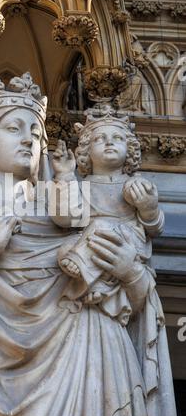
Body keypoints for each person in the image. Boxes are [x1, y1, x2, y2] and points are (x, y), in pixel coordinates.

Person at [0, 74, 177, 416]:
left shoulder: (76, 218)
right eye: (14, 128)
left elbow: (139, 311)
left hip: (91, 368)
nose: (28, 139)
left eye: (35, 132)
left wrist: (131, 272)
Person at [52, 105, 164, 309]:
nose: (109, 142)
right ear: (86, 151)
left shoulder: (136, 184)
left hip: (126, 241)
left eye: (118, 138)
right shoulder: (81, 186)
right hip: (91, 243)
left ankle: (95, 280)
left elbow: (155, 227)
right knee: (65, 248)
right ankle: (97, 286)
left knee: (100, 226)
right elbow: (65, 218)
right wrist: (65, 175)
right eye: (99, 139)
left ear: (130, 150)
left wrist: (148, 208)